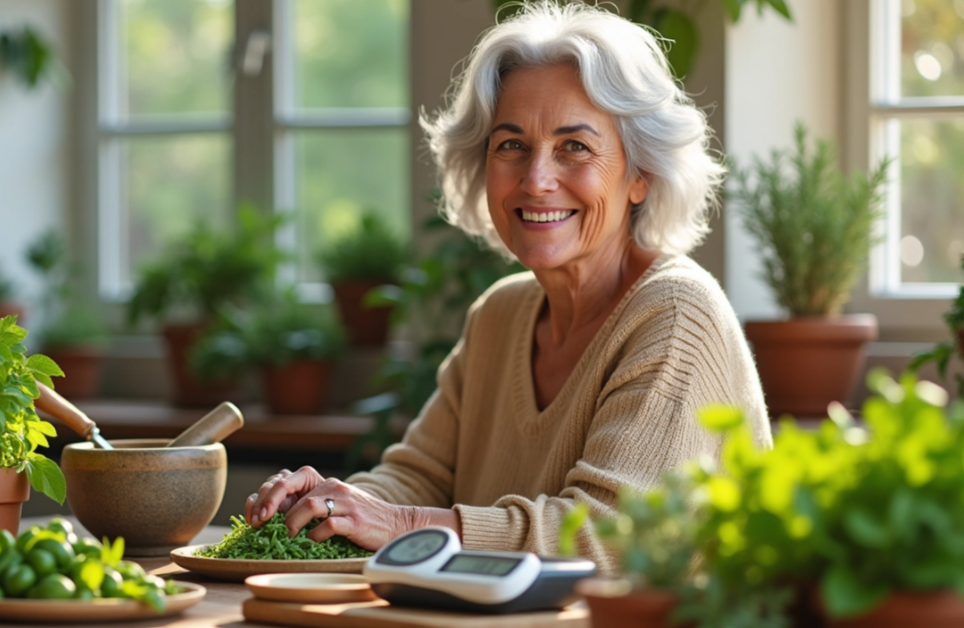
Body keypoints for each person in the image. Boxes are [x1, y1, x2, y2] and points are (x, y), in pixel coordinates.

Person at [244, 2, 771, 573]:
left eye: (574, 146)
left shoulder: (678, 314)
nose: (536, 180)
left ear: (641, 174)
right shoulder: (500, 313)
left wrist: (397, 522)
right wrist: (327, 505)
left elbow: (612, 538)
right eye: (512, 145)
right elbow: (419, 477)